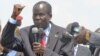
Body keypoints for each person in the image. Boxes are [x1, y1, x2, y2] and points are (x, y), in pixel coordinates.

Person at [1, 1, 70, 56]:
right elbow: (6, 42)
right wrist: (14, 16)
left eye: (41, 14)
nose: (37, 18)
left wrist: (45, 52)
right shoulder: (25, 33)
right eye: (35, 15)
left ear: (50, 16)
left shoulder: (64, 34)